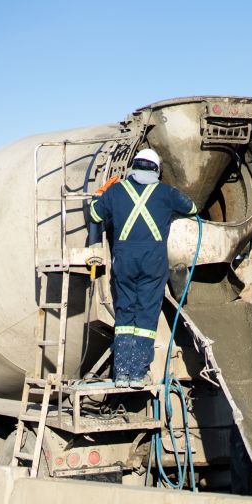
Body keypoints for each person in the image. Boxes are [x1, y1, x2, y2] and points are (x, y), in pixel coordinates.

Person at [89, 148, 197, 388]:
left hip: (124, 262)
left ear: (134, 167)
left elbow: (95, 214)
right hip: (153, 262)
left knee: (125, 312)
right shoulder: (166, 192)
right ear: (156, 170)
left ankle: (121, 374)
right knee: (147, 314)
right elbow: (191, 209)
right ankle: (138, 374)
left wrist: (100, 195)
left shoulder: (116, 191)